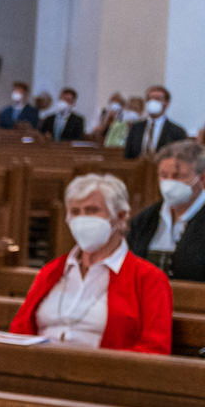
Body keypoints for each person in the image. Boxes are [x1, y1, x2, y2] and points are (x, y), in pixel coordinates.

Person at [10, 172, 170, 352]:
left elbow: (155, 348)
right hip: (39, 364)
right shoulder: (53, 270)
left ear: (121, 216)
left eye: (92, 210)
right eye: (75, 212)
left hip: (103, 368)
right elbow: (19, 330)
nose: (82, 219)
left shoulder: (148, 278)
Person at [128, 139, 205, 280]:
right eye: (164, 175)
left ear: (202, 179)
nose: (169, 183)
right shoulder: (145, 219)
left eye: (178, 176)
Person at [127, 85, 185, 158]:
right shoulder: (136, 128)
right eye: (149, 99)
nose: (152, 102)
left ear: (167, 104)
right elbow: (128, 156)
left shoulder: (176, 131)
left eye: (157, 99)